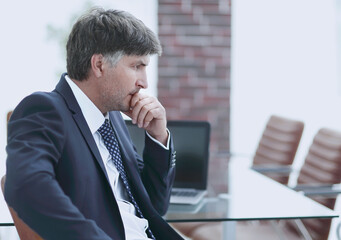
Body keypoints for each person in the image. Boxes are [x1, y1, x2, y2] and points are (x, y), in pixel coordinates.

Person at [5, 7, 183, 240]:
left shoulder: (113, 119)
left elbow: (153, 207)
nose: (144, 83)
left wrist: (158, 137)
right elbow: (26, 187)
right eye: (136, 66)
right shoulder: (45, 109)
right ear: (99, 65)